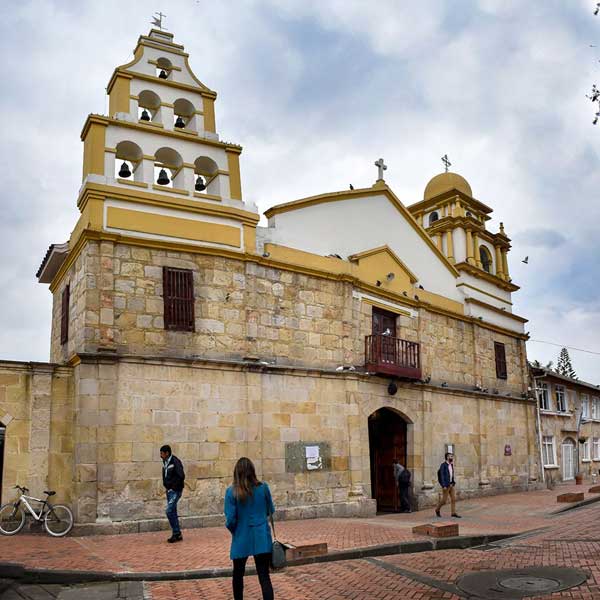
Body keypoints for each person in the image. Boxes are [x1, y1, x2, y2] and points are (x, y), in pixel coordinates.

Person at [225, 457, 275, 600]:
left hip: (242, 536)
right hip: (261, 536)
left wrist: (236, 530)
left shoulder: (231, 492)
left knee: (238, 575)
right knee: (264, 576)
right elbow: (270, 510)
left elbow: (230, 520)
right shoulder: (263, 488)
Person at [160, 444, 185, 543]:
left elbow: (181, 476)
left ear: (167, 453)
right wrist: (167, 487)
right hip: (169, 491)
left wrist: (173, 488)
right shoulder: (165, 462)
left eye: (162, 453)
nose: (161, 455)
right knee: (173, 511)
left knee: (169, 511)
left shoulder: (175, 461)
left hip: (175, 491)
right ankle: (177, 534)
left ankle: (176, 532)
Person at [435, 452, 461, 518]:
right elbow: (442, 476)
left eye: (452, 456)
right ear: (447, 457)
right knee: (444, 501)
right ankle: (437, 509)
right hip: (446, 486)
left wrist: (453, 482)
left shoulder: (451, 465)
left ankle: (453, 513)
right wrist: (443, 485)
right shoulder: (443, 465)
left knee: (453, 499)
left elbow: (451, 475)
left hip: (451, 485)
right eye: (450, 456)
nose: (451, 457)